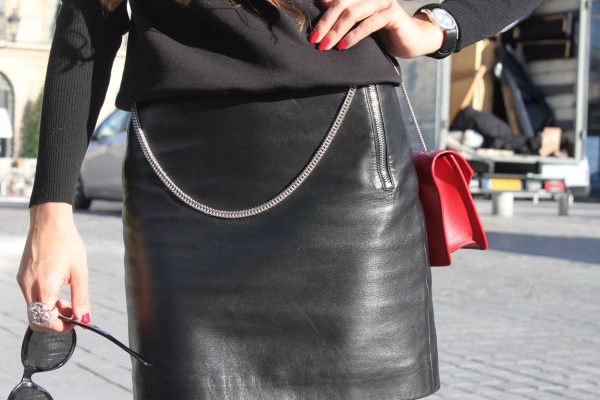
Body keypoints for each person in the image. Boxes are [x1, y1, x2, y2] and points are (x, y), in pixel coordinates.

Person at [17, 0, 541, 399]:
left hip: (349, 167)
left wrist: (438, 26)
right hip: (179, 184)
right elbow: (88, 19)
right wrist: (50, 212)